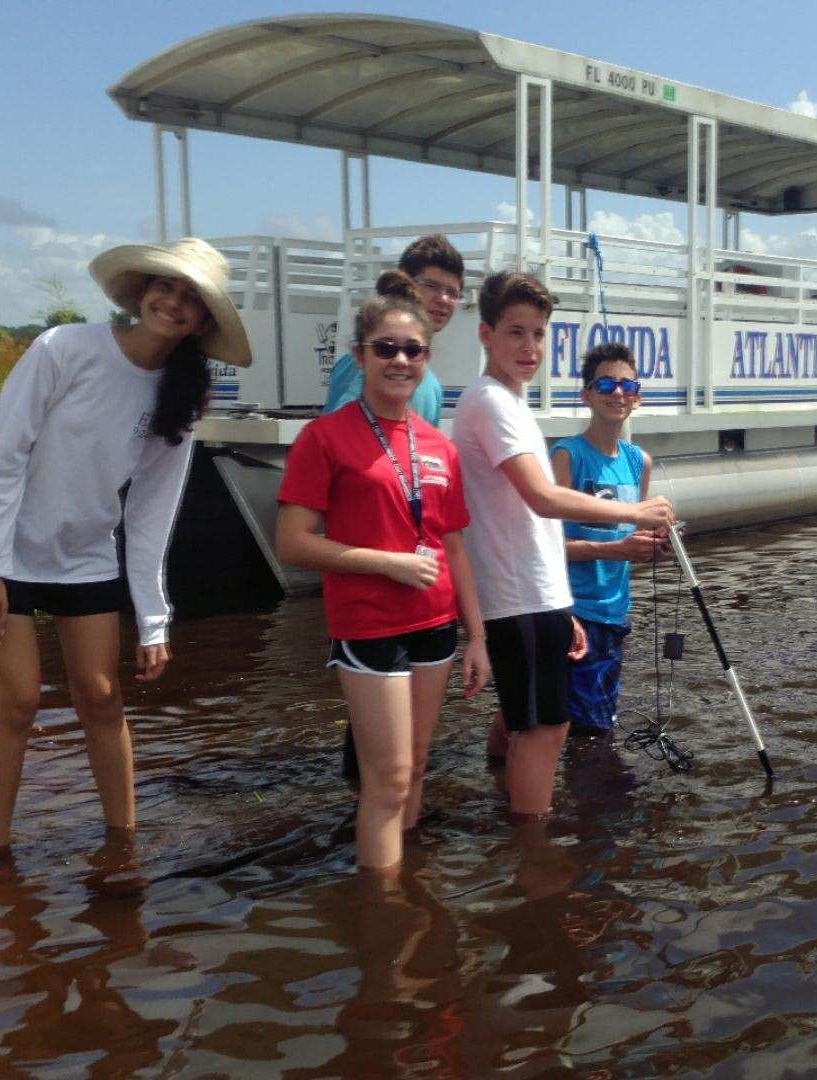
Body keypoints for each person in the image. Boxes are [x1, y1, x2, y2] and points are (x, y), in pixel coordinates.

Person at [0, 237, 250, 860]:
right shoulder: (67, 348)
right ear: (141, 291)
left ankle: (122, 846)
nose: (174, 303)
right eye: (167, 287)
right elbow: (6, 456)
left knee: (103, 697)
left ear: (204, 322)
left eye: (192, 299)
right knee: (21, 698)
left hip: (82, 550)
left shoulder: (182, 397)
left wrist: (154, 619)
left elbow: (153, 509)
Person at [276, 271, 490, 870]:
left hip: (435, 622)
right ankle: (384, 917)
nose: (400, 360)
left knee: (418, 764)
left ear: (427, 358)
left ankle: (406, 880)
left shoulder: (437, 444)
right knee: (389, 779)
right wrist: (388, 564)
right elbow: (292, 543)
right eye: (386, 348)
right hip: (368, 624)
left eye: (412, 350)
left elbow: (454, 546)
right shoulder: (324, 438)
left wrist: (478, 636)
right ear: (360, 355)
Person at [451, 270, 675, 822]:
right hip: (517, 596)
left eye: (538, 334)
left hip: (542, 595)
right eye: (515, 333)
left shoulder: (512, 404)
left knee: (528, 720)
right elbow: (543, 500)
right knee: (547, 729)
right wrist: (633, 515)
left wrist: (560, 603)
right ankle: (534, 855)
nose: (529, 348)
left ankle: (501, 808)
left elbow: (540, 523)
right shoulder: (493, 404)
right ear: (485, 334)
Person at [550, 343, 666, 735]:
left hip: (616, 614)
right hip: (575, 613)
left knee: (580, 722)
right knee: (590, 730)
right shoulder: (567, 456)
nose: (617, 393)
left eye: (626, 385)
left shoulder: (638, 462)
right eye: (604, 385)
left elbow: (635, 540)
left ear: (638, 396)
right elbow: (546, 550)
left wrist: (656, 544)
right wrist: (617, 549)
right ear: (586, 395)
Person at [321, 235, 463, 424]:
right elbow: (336, 439)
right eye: (431, 286)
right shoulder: (365, 364)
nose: (443, 299)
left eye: (452, 292)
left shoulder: (432, 386)